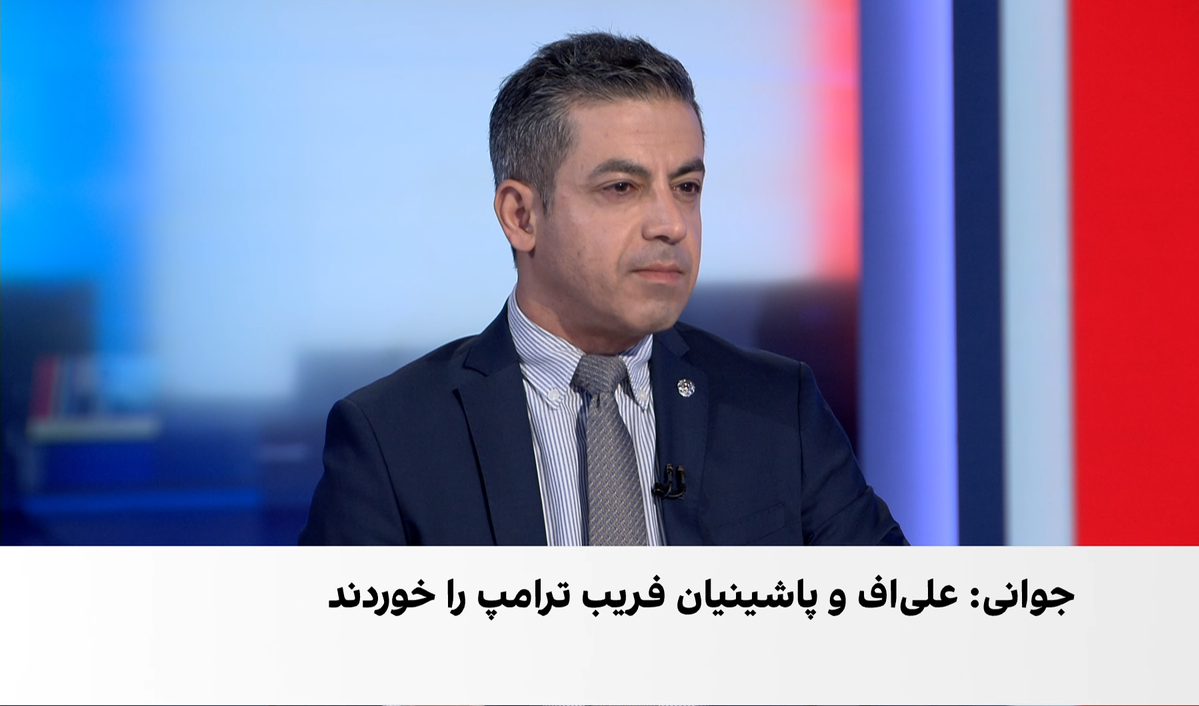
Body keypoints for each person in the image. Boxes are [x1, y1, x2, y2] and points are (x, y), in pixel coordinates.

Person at [299, 32, 905, 547]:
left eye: (686, 187)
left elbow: (905, 628)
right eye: (621, 188)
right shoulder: (390, 438)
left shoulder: (778, 409)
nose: (670, 224)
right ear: (521, 216)